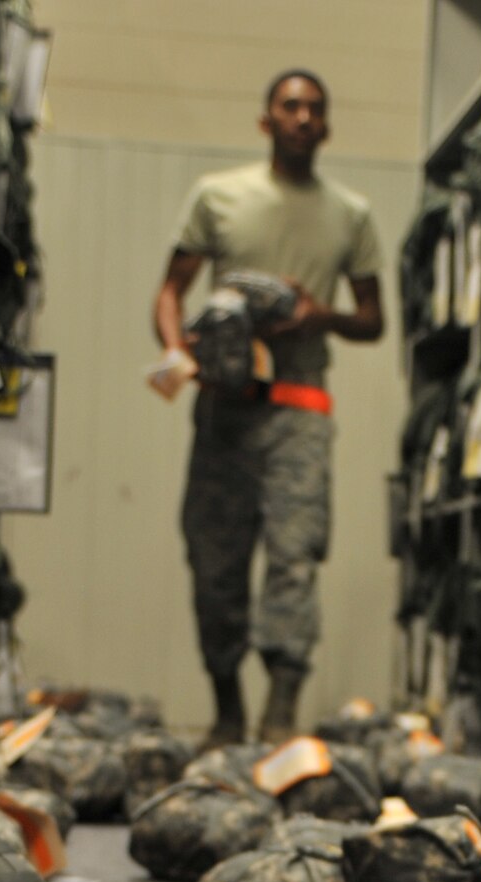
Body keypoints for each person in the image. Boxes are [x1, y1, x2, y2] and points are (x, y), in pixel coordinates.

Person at [151, 69, 384, 746]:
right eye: (290, 106)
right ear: (266, 121)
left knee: (294, 557)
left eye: (315, 107)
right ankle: (226, 714)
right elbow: (170, 292)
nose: (303, 117)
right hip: (225, 408)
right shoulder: (219, 197)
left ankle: (280, 717)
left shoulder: (351, 213)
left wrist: (321, 316)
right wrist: (178, 353)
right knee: (214, 558)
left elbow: (373, 319)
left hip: (300, 413)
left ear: (327, 126)